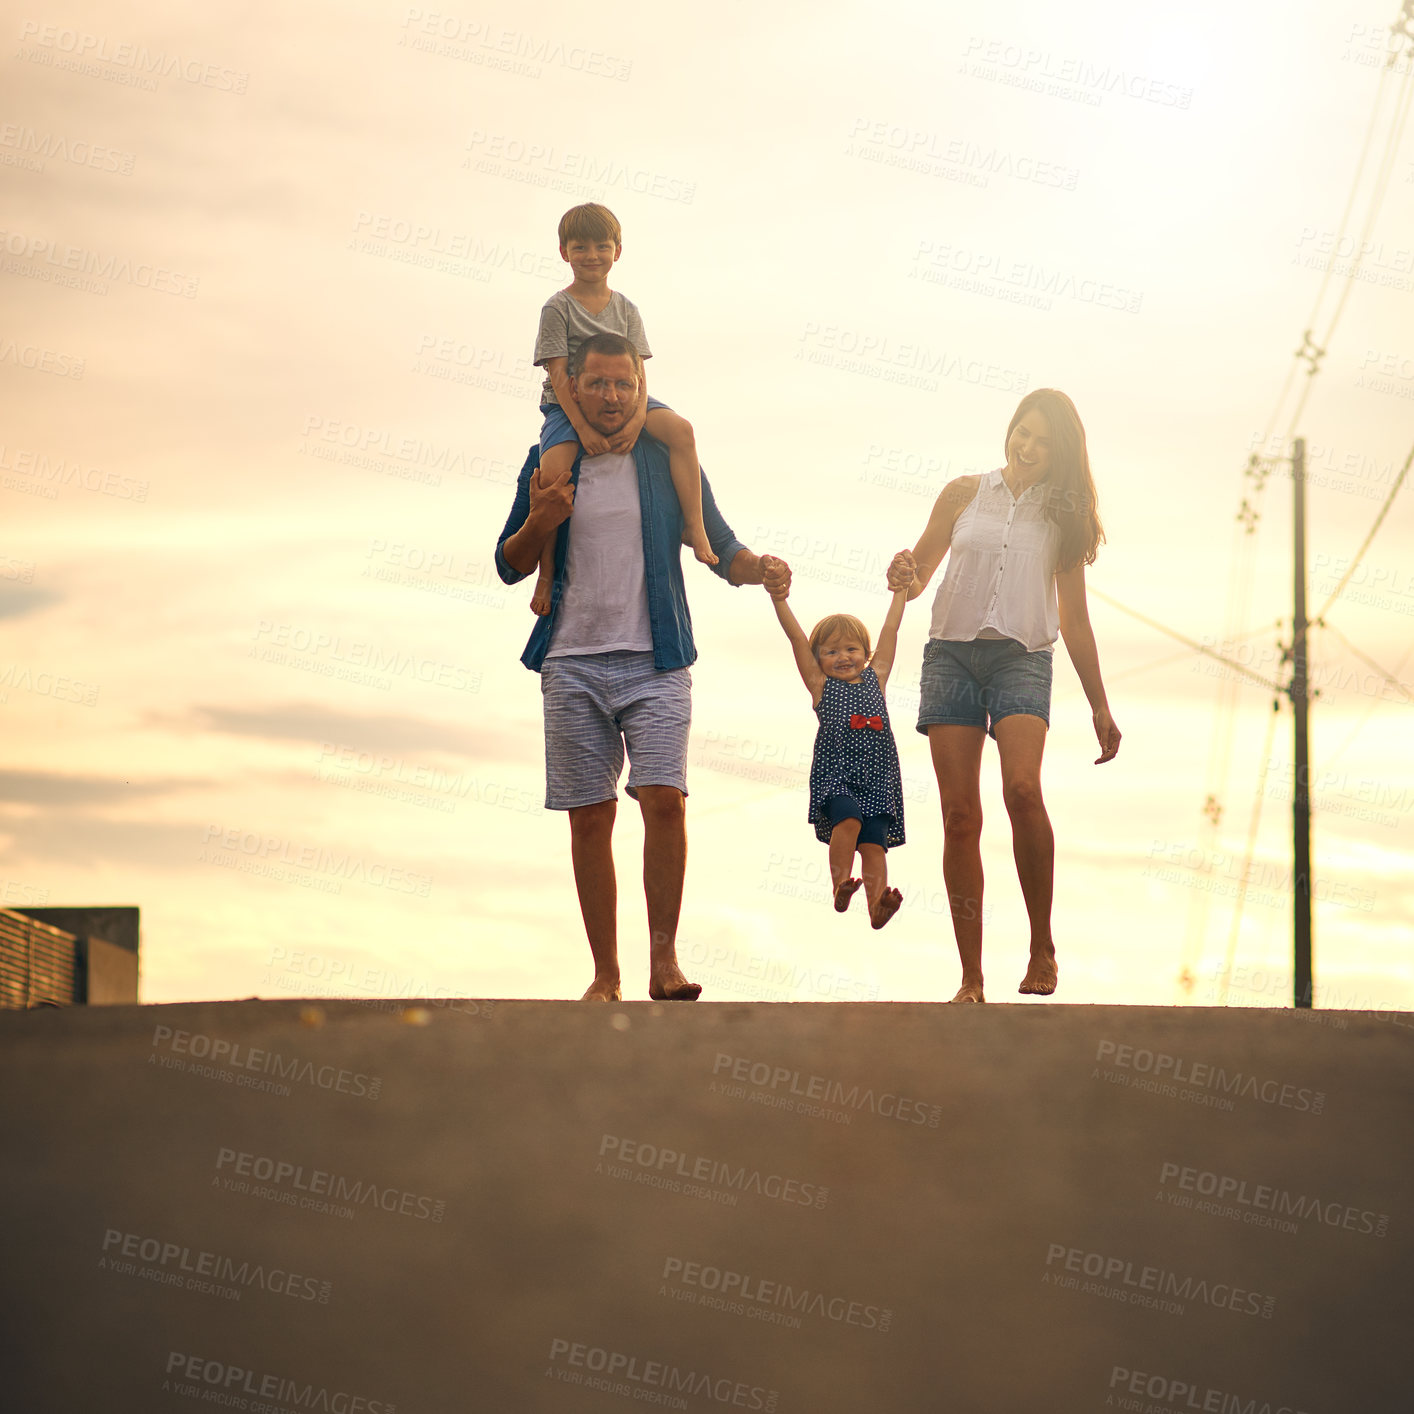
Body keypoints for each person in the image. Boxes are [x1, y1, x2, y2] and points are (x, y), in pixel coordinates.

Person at [495, 332, 789, 1002]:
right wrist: (539, 521)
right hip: (571, 661)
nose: (610, 396)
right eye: (595, 383)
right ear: (572, 388)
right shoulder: (550, 458)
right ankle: (607, 973)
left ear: (640, 385)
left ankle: (664, 962)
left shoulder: (662, 458)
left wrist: (759, 570)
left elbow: (718, 541)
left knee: (664, 800)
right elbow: (508, 565)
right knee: (590, 817)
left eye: (622, 383)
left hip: (656, 661)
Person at [902, 389, 1121, 1003]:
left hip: (1022, 657)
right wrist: (903, 573)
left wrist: (1100, 704)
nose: (1026, 447)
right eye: (1021, 432)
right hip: (951, 655)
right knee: (959, 816)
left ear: (1062, 455)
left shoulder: (1064, 516)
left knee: (1023, 791)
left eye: (1042, 442)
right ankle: (971, 978)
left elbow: (1075, 621)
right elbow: (919, 574)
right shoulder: (962, 493)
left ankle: (1041, 945)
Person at [528, 203, 714, 616]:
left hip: (627, 399)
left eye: (601, 246)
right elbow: (559, 374)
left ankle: (696, 527)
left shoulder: (626, 309)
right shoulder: (556, 308)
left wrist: (635, 420)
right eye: (580, 247)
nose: (591, 256)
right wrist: (583, 429)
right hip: (567, 404)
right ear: (564, 252)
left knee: (681, 431)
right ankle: (546, 569)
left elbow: (640, 372)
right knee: (554, 472)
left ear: (618, 251)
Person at [765, 551, 917, 929]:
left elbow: (891, 631)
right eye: (831, 651)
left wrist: (899, 592)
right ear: (818, 659)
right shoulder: (821, 686)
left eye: (851, 649)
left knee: (874, 845)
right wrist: (779, 599)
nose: (843, 657)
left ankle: (877, 907)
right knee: (846, 821)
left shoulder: (875, 679)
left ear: (867, 655)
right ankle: (840, 887)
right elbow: (796, 638)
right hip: (839, 774)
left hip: (878, 777)